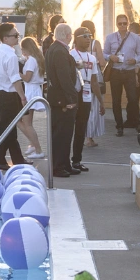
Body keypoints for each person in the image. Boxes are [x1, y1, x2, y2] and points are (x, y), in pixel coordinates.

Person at [0, 23, 27, 169]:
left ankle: (17, 159)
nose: (17, 37)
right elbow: (15, 79)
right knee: (6, 128)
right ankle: (0, 159)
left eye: (17, 35)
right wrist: (22, 97)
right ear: (5, 38)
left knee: (9, 126)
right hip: (7, 94)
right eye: (15, 35)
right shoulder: (10, 55)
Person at [45, 23, 80, 178]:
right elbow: (64, 77)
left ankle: (64, 164)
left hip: (58, 98)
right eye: (70, 34)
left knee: (64, 133)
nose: (71, 37)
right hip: (62, 100)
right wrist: (72, 97)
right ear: (67, 35)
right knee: (62, 134)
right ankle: (58, 166)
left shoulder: (54, 48)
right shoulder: (59, 51)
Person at [103, 13, 140, 135]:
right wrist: (111, 57)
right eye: (120, 23)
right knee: (116, 100)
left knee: (133, 99)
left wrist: (135, 60)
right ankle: (119, 126)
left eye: (124, 23)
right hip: (116, 72)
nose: (122, 26)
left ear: (128, 24)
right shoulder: (110, 37)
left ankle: (137, 124)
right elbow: (104, 53)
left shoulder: (135, 38)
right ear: (116, 24)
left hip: (129, 71)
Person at [71, 27, 103, 168]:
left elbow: (94, 81)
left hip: (87, 94)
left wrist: (101, 102)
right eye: (84, 36)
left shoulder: (92, 58)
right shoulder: (71, 55)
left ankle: (76, 160)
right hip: (74, 94)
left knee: (81, 128)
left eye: (89, 36)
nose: (88, 38)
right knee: (68, 129)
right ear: (76, 38)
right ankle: (63, 160)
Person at [19, 37, 45, 159]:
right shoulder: (36, 59)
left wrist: (17, 73)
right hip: (33, 90)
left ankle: (38, 149)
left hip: (30, 90)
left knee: (25, 123)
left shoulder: (31, 60)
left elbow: (27, 78)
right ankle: (33, 144)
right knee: (27, 122)